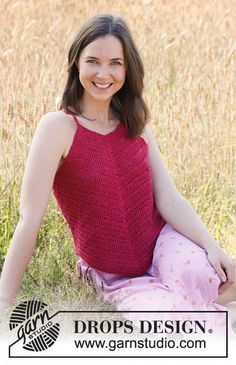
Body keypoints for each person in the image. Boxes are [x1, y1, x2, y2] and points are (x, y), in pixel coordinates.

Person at [0, 13, 235, 338]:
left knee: (214, 277)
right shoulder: (58, 128)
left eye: (115, 63)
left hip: (163, 244)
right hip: (113, 272)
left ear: (127, 68)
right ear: (76, 63)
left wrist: (213, 248)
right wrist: (4, 303)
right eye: (93, 61)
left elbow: (168, 198)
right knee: (173, 324)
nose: (103, 73)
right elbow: (30, 219)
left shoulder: (134, 122)